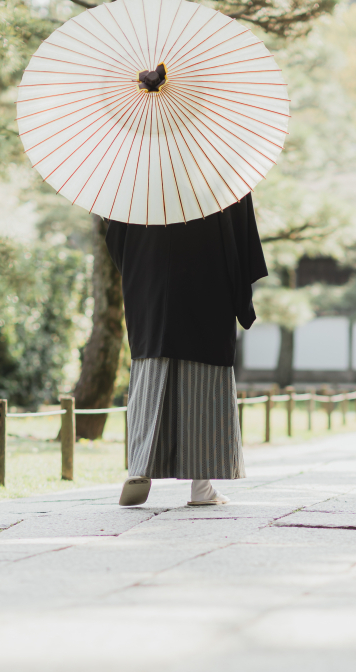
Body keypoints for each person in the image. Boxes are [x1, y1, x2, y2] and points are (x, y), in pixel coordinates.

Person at [105, 193, 267, 507]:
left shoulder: (138, 175)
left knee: (151, 371)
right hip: (207, 280)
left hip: (150, 281)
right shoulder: (221, 172)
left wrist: (141, 266)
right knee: (202, 383)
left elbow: (116, 234)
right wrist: (242, 302)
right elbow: (240, 234)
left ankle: (140, 466)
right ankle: (201, 487)